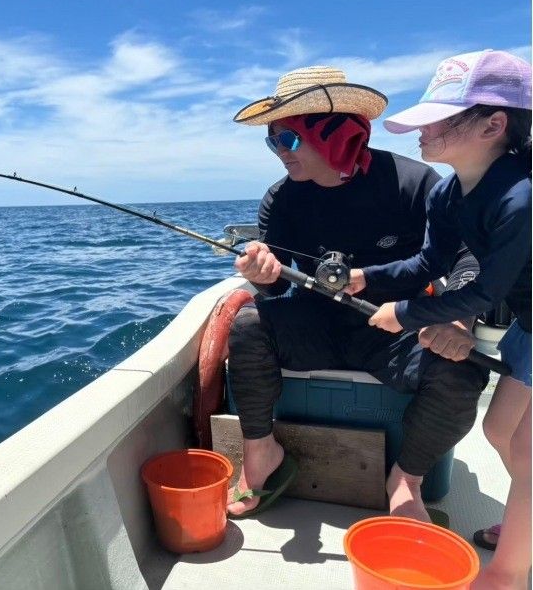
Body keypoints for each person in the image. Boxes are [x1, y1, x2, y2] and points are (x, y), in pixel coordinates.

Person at [225, 65, 488, 524]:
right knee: (248, 325)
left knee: (462, 371)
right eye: (271, 141)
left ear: (333, 133)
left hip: (397, 328)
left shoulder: (416, 183)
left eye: (286, 140)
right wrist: (261, 273)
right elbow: (274, 286)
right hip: (317, 325)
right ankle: (260, 452)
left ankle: (405, 481)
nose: (277, 153)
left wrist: (457, 320)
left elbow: (469, 261)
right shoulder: (280, 198)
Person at [353, 49, 531, 590]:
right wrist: (368, 278)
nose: (420, 130)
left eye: (437, 118)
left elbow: (485, 291)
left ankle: (507, 572)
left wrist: (404, 313)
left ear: (493, 125)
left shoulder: (520, 198)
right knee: (500, 429)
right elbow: (428, 264)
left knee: (526, 449)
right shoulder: (449, 191)